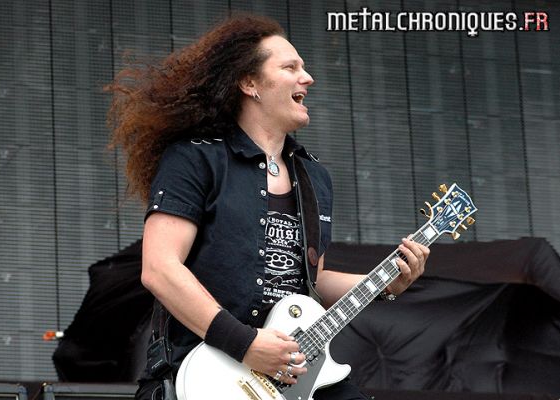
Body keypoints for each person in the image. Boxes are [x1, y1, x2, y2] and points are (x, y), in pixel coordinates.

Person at [106, 14, 429, 400]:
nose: (308, 78)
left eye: (304, 68)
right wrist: (245, 343)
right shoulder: (196, 159)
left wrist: (384, 284)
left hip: (289, 374)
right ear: (250, 84)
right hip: (208, 369)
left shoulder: (314, 177)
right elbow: (159, 268)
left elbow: (310, 281)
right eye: (291, 67)